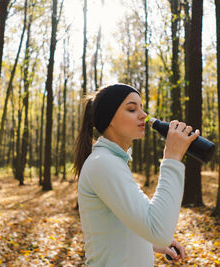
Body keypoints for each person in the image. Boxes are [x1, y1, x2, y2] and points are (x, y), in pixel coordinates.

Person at [74, 83, 199, 266]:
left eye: (141, 107)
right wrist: (172, 158)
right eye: (132, 109)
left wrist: (151, 242)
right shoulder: (103, 162)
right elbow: (160, 231)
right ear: (109, 118)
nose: (143, 115)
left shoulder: (112, 161)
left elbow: (124, 220)